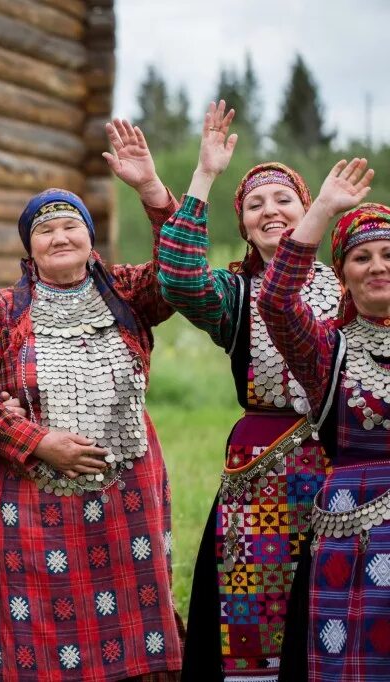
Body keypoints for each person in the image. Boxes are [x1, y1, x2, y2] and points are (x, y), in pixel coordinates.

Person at [0, 119, 183, 681]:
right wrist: (40, 443)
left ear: (89, 236)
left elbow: (181, 274)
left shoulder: (128, 291)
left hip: (126, 487)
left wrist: (153, 191)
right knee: (38, 625)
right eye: (45, 230)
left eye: (70, 226)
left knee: (135, 614)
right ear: (28, 248)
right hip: (32, 496)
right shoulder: (0, 309)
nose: (59, 237)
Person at [156, 102, 337, 681]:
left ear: (308, 209)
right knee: (255, 603)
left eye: (283, 199)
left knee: (332, 599)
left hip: (344, 465)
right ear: (244, 226)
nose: (271, 211)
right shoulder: (235, 294)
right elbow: (179, 275)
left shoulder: (350, 282)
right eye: (255, 204)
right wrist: (204, 175)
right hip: (261, 467)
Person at [256, 160, 385, 681]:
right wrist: (323, 209)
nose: (377, 266)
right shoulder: (327, 349)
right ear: (343, 275)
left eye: (388, 254)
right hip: (354, 532)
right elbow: (276, 301)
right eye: (362, 257)